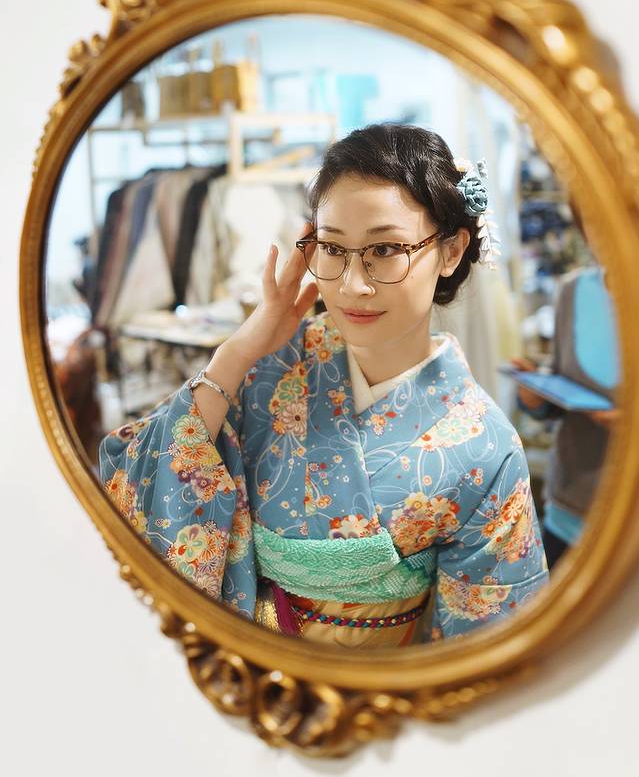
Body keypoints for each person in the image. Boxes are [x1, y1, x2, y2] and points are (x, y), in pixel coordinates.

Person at [99, 123, 549, 648]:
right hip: (233, 667)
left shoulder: (486, 446)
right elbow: (135, 479)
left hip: (375, 690)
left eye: (386, 249)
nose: (353, 284)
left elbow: (488, 643)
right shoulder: (268, 369)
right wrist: (236, 353)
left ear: (450, 252)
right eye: (333, 249)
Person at [512, 200, 620, 569]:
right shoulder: (573, 290)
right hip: (568, 509)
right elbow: (562, 386)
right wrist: (536, 398)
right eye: (591, 221)